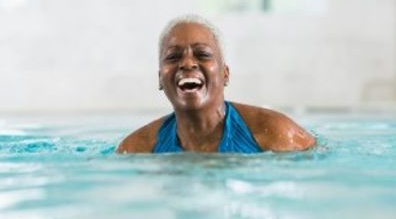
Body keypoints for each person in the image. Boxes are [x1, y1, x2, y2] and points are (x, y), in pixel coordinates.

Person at [116, 15, 316, 153]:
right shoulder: (137, 148)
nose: (187, 63)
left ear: (225, 74)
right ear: (160, 78)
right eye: (173, 56)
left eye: (202, 54)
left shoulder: (276, 134)